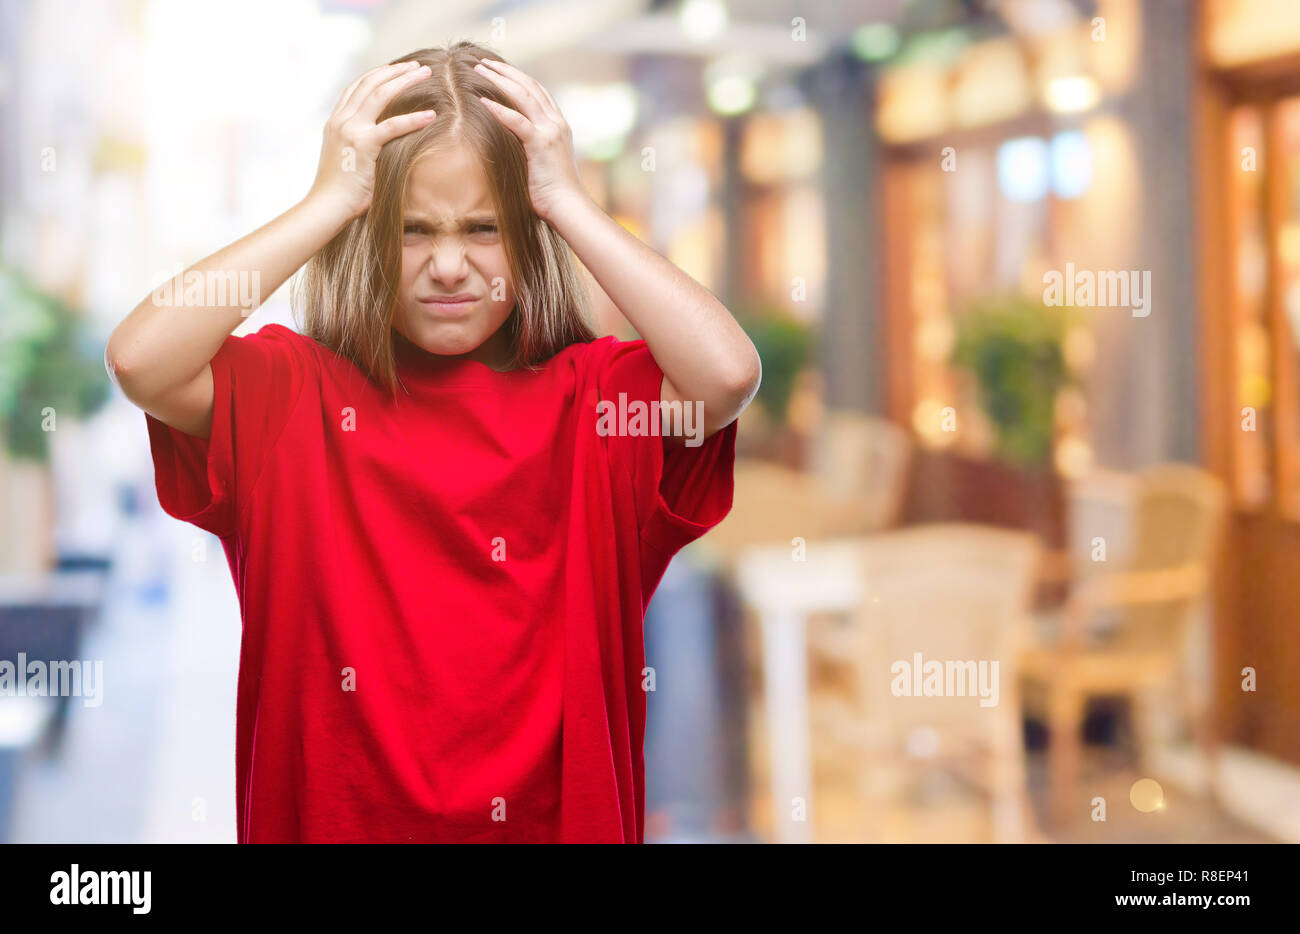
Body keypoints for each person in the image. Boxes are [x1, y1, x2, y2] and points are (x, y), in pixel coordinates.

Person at [104, 41, 760, 843]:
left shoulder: (594, 405)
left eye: (484, 228)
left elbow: (725, 376)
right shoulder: (290, 397)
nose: (449, 265)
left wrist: (567, 201)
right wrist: (326, 201)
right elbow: (141, 357)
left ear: (527, 237)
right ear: (368, 237)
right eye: (413, 230)